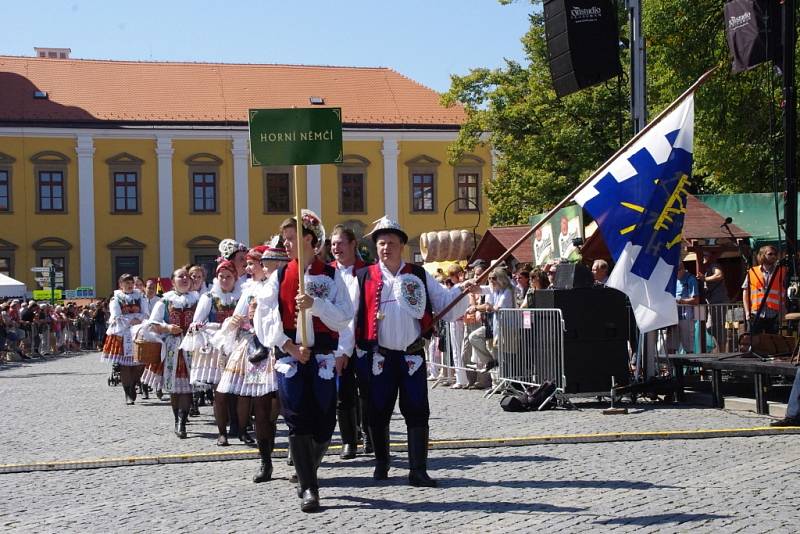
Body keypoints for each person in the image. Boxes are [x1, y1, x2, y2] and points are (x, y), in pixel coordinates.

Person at [354, 216, 472, 488]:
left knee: (417, 411)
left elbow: (445, 303)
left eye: (391, 243)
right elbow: (351, 316)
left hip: (411, 357)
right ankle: (382, 462)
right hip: (379, 358)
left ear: (402, 246)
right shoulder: (363, 276)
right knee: (378, 411)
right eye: (381, 243)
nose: (386, 248)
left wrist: (463, 292)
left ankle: (418, 470)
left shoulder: (418, 274)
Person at [255, 210, 352, 512]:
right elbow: (264, 317)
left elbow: (345, 316)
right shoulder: (280, 276)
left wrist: (317, 305)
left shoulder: (331, 275)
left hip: (322, 354)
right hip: (291, 356)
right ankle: (310, 488)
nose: (285, 245)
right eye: (283, 240)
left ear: (308, 239)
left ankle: (306, 465)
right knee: (297, 420)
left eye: (290, 239)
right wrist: (288, 346)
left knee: (324, 422)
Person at [189, 260, 243, 443]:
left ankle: (237, 425)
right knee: (219, 392)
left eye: (229, 277)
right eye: (222, 277)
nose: (225, 280)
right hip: (216, 347)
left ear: (235, 278)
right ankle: (222, 432)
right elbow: (197, 321)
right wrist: (205, 327)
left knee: (237, 390)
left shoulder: (241, 296)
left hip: (237, 346)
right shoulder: (209, 298)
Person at [329, 224, 371, 459]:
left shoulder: (368, 271)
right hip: (338, 343)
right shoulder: (327, 272)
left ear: (353, 245)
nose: (336, 248)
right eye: (333, 244)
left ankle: (368, 436)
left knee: (367, 392)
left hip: (363, 341)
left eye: (340, 243)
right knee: (343, 393)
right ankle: (349, 441)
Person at [143, 265, 199, 438]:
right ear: (173, 282)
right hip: (172, 349)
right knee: (175, 388)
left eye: (186, 277)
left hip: (192, 346)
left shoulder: (198, 300)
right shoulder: (164, 302)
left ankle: (183, 418)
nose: (184, 279)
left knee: (189, 387)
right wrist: (167, 327)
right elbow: (152, 324)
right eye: (180, 277)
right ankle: (178, 420)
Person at [101, 273, 150, 404]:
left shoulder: (140, 296)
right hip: (122, 334)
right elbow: (116, 315)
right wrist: (130, 320)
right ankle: (127, 392)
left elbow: (146, 313)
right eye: (126, 283)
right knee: (124, 366)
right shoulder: (116, 299)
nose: (129, 285)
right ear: (120, 285)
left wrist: (138, 319)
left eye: (130, 283)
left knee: (140, 364)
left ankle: (133, 384)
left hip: (138, 331)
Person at [467, 268, 515, 377]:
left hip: (508, 328)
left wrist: (488, 307)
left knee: (506, 357)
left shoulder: (508, 290)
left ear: (501, 278)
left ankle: (506, 383)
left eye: (493, 278)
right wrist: (471, 287)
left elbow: (498, 306)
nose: (491, 281)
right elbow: (481, 290)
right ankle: (490, 361)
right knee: (474, 337)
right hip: (497, 327)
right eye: (489, 278)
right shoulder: (495, 289)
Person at [743, 245, 787, 335]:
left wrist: (782, 311)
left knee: (771, 344)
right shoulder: (752, 271)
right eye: (770, 254)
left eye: (775, 254)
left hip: (773, 314)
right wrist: (747, 312)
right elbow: (745, 292)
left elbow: (784, 292)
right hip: (756, 313)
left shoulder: (782, 271)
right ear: (762, 255)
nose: (773, 256)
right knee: (753, 342)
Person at [445, 263, 470, 389]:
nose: (450, 279)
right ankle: (461, 377)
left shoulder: (459, 287)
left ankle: (462, 379)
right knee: (457, 350)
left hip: (458, 320)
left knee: (458, 350)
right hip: (457, 319)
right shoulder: (459, 287)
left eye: (451, 276)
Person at [698, 250, 727, 349]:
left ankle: (722, 351)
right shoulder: (705, 268)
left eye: (705, 255)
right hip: (711, 303)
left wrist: (705, 279)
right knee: (710, 327)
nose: (704, 258)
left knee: (718, 327)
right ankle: (719, 349)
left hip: (718, 302)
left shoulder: (714, 265)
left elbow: (719, 275)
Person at [667, 262, 699, 354]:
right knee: (671, 346)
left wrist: (680, 301)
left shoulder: (691, 279)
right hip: (673, 317)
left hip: (686, 317)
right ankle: (673, 368)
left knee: (688, 347)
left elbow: (696, 300)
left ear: (681, 269)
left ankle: (691, 368)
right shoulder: (673, 280)